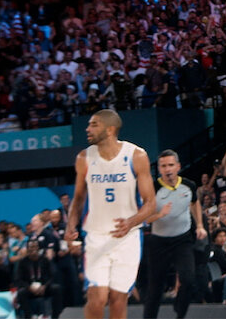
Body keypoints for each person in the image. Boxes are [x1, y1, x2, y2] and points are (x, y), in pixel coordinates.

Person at [66, 109, 156, 319]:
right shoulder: (84, 158)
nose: (87, 129)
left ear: (110, 130)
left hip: (127, 238)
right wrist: (71, 225)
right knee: (96, 298)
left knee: (118, 300)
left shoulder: (136, 155)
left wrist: (131, 221)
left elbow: (150, 203)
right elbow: (78, 198)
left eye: (94, 124)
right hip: (96, 236)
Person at [141, 149, 207, 319]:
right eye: (163, 166)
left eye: (170, 165)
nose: (167, 169)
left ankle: (180, 312)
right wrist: (159, 215)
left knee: (188, 280)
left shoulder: (189, 185)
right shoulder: (153, 189)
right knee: (155, 289)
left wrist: (200, 225)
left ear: (178, 166)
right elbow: (144, 219)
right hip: (159, 242)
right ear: (159, 169)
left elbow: (195, 203)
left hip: (182, 240)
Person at [16, 239, 62, 319]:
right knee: (21, 293)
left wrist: (45, 286)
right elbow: (19, 279)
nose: (33, 249)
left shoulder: (45, 260)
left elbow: (52, 276)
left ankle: (55, 316)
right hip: (30, 289)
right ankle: (28, 316)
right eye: (31, 247)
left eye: (35, 246)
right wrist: (29, 287)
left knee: (57, 288)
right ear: (27, 249)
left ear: (39, 248)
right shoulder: (23, 262)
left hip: (44, 288)